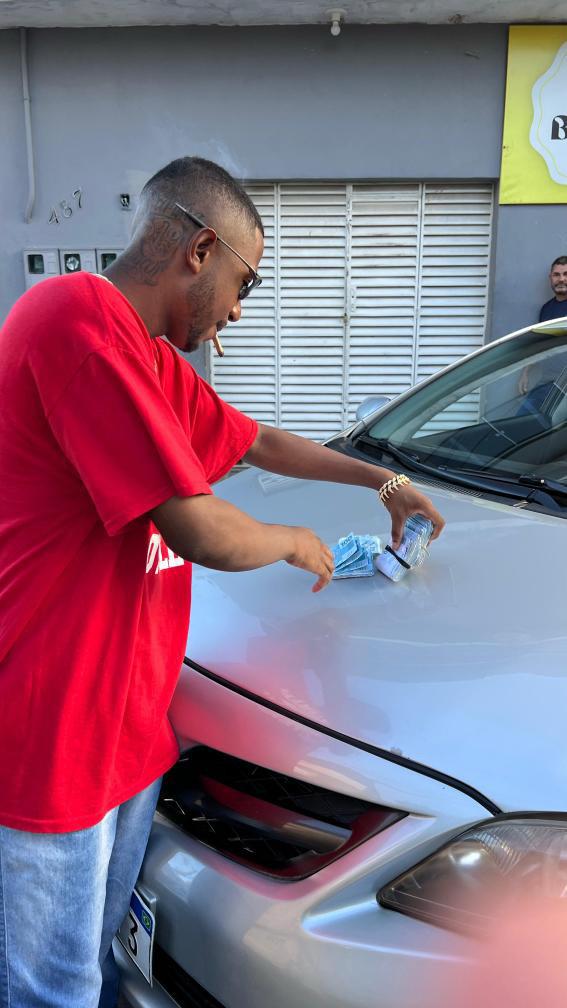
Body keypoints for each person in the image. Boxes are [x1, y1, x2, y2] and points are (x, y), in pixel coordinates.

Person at [0, 156, 444, 1008]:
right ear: (200, 250)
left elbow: (257, 441)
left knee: (96, 972)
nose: (238, 312)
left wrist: (384, 481)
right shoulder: (75, 321)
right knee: (52, 992)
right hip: (54, 734)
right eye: (246, 283)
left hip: (127, 734)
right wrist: (291, 540)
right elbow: (196, 528)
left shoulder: (150, 361)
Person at [518, 256, 567, 413]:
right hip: (548, 382)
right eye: (557, 275)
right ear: (550, 278)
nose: (561, 279)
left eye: (566, 274)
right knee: (524, 419)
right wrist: (525, 372)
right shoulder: (546, 309)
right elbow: (539, 344)